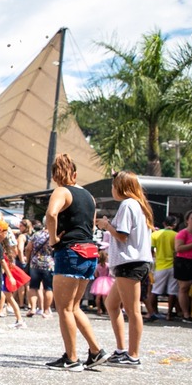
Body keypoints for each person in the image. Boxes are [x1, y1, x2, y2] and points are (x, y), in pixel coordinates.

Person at [44, 154, 107, 371]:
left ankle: (71, 359)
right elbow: (91, 223)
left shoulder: (61, 191)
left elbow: (51, 214)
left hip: (70, 251)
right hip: (89, 251)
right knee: (74, 307)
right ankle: (96, 351)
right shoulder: (89, 196)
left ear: (55, 175)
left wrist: (53, 239)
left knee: (64, 309)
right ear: (75, 173)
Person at [96, 171, 155, 367]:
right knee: (112, 304)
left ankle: (133, 354)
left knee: (132, 310)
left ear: (120, 187)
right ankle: (122, 350)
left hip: (130, 262)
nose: (112, 189)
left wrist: (106, 225)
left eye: (113, 186)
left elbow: (122, 235)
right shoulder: (138, 205)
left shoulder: (128, 205)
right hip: (132, 262)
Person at [146, 215, 179, 321]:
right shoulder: (177, 235)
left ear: (164, 224)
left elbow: (150, 250)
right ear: (174, 225)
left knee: (155, 291)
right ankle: (169, 314)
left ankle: (153, 312)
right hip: (173, 266)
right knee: (172, 291)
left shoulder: (155, 234)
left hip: (159, 266)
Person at [26, 220, 55, 319]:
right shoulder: (53, 235)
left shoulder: (36, 234)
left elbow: (28, 248)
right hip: (49, 263)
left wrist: (28, 259)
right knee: (48, 288)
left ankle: (33, 308)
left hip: (35, 263)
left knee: (33, 286)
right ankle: (46, 310)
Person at [90, 251, 114, 315]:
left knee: (98, 297)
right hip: (107, 280)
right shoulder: (108, 265)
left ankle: (99, 309)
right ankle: (106, 310)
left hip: (99, 281)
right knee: (105, 297)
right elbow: (110, 274)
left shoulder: (97, 266)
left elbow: (96, 275)